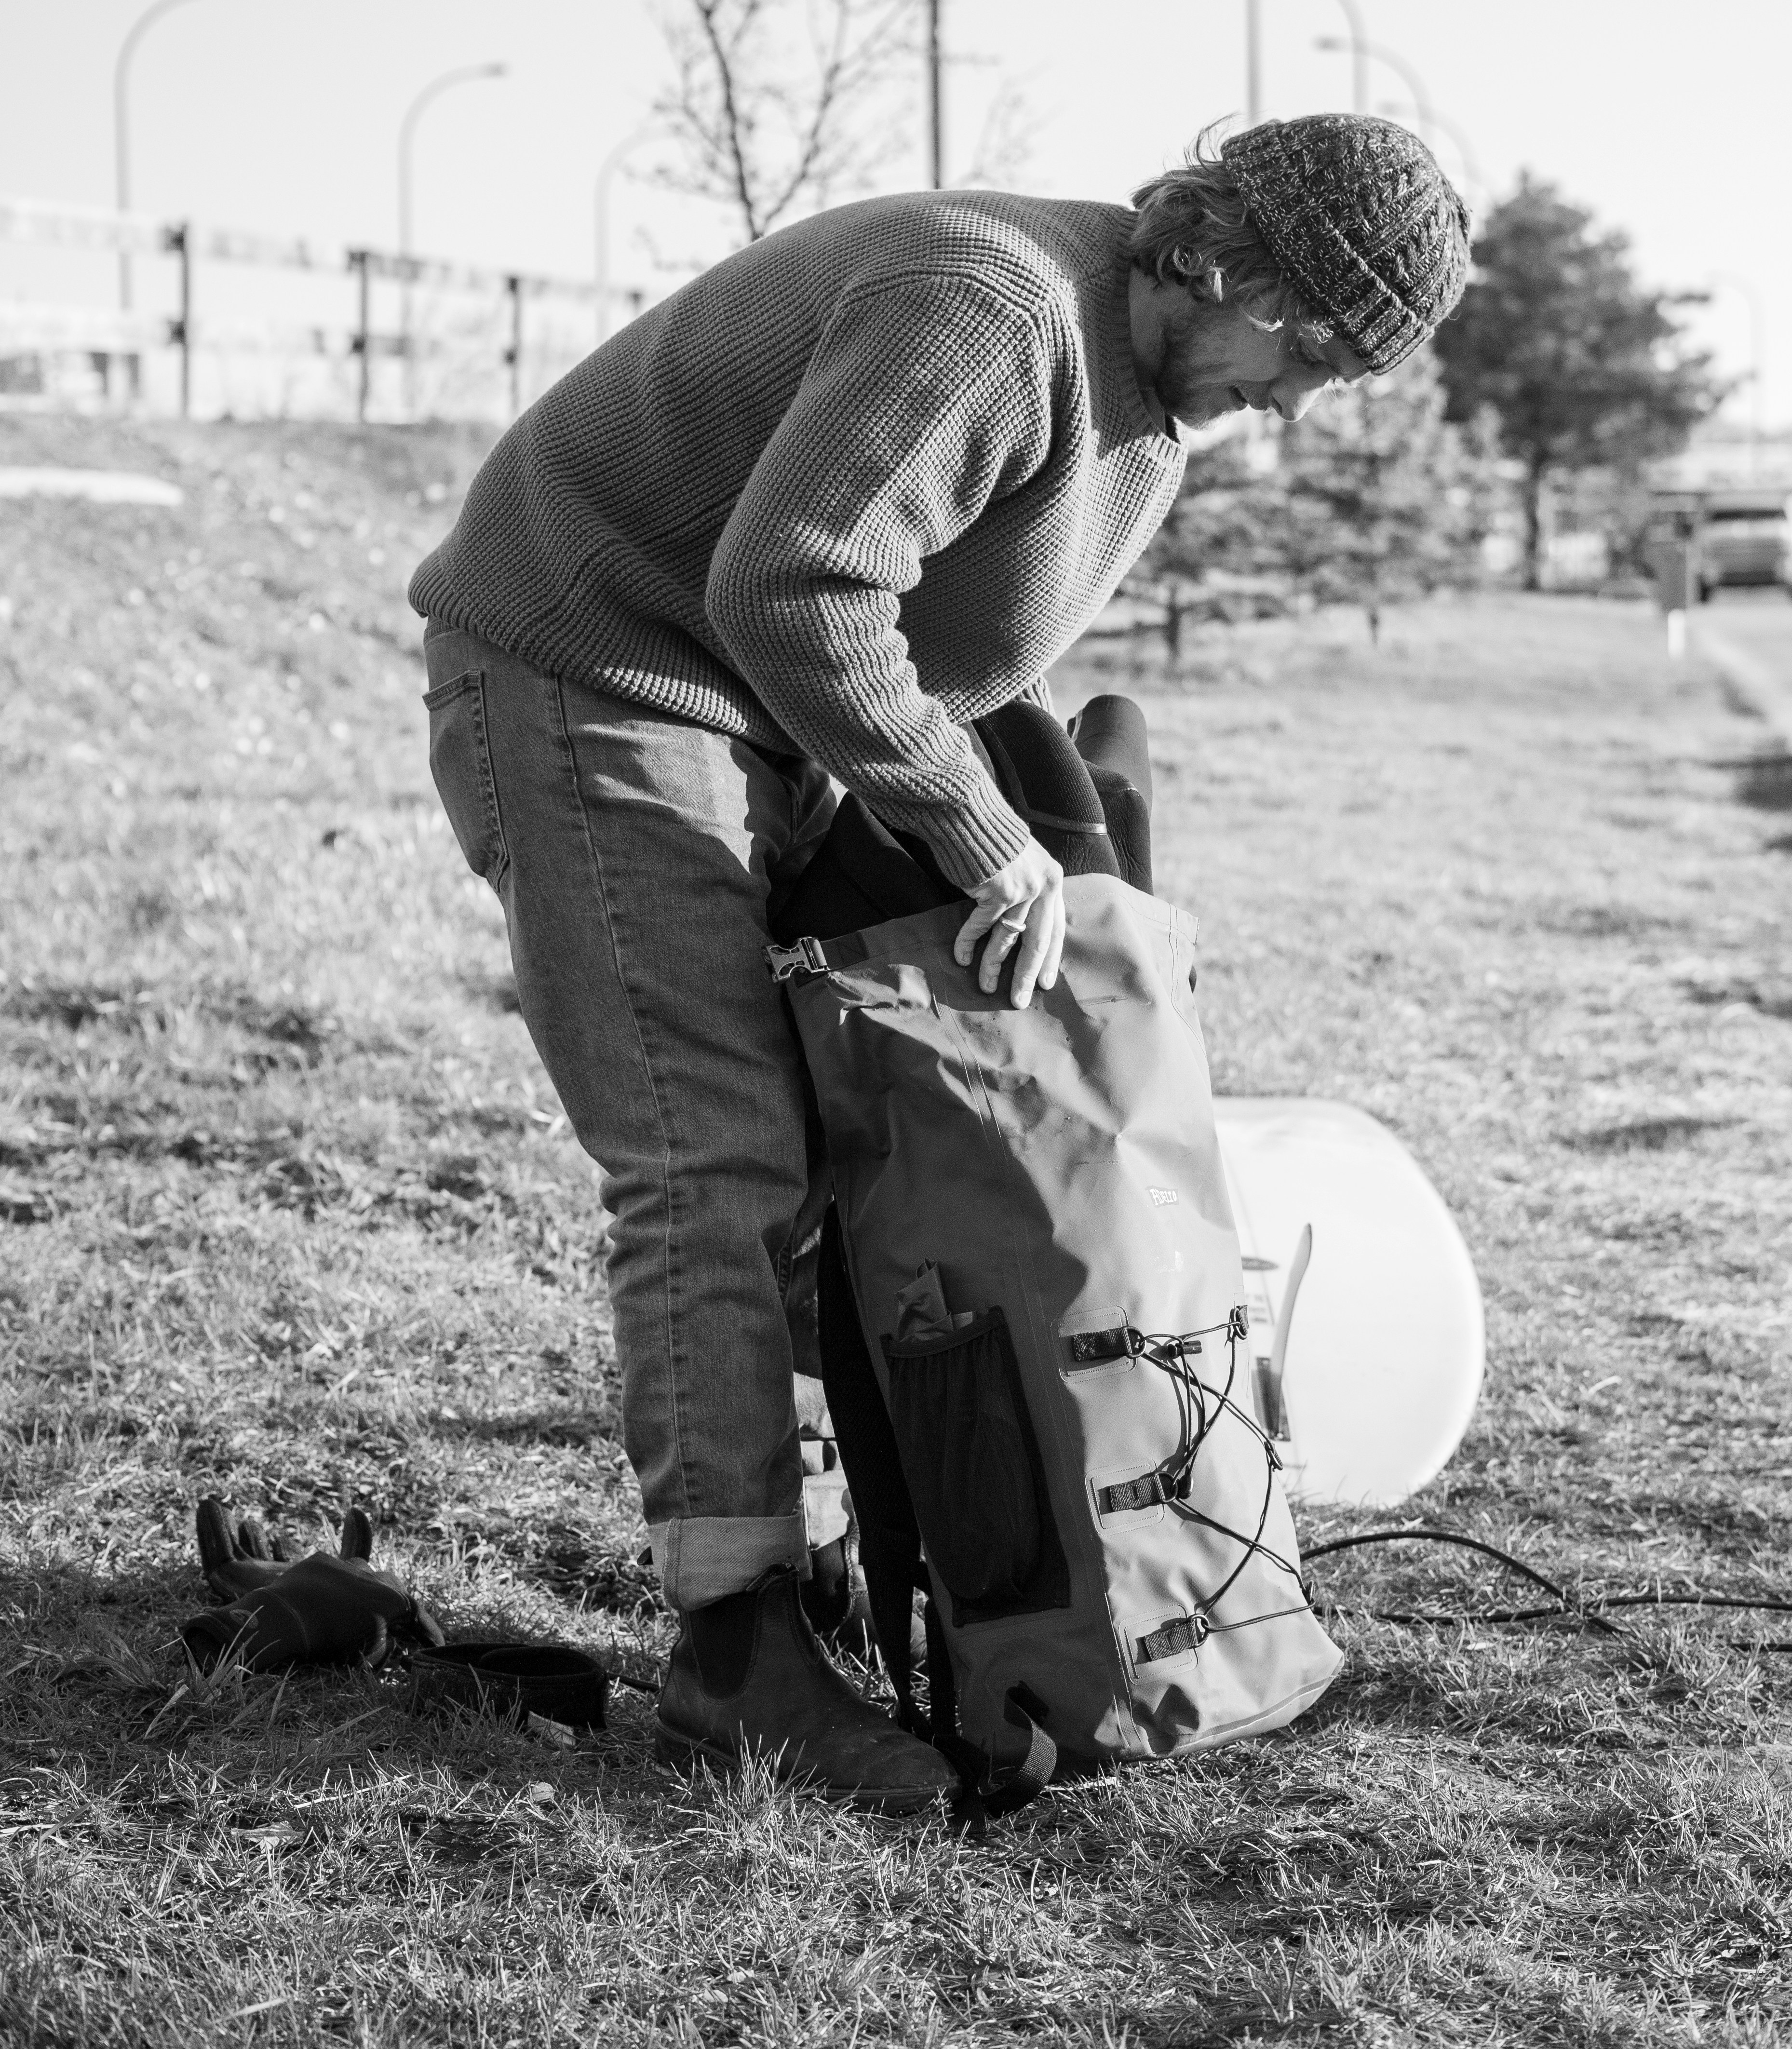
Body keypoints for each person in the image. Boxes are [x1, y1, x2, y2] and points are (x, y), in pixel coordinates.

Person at [407, 113, 1469, 1809]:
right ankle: (732, 1642)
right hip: (596, 673)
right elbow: (801, 585)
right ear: (1227, 265)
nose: (1301, 405)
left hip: (767, 723)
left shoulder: (1153, 414)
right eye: (1312, 355)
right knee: (711, 1152)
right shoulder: (990, 309)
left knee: (886, 1128)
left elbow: (957, 659)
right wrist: (977, 838)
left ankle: (831, 1536)